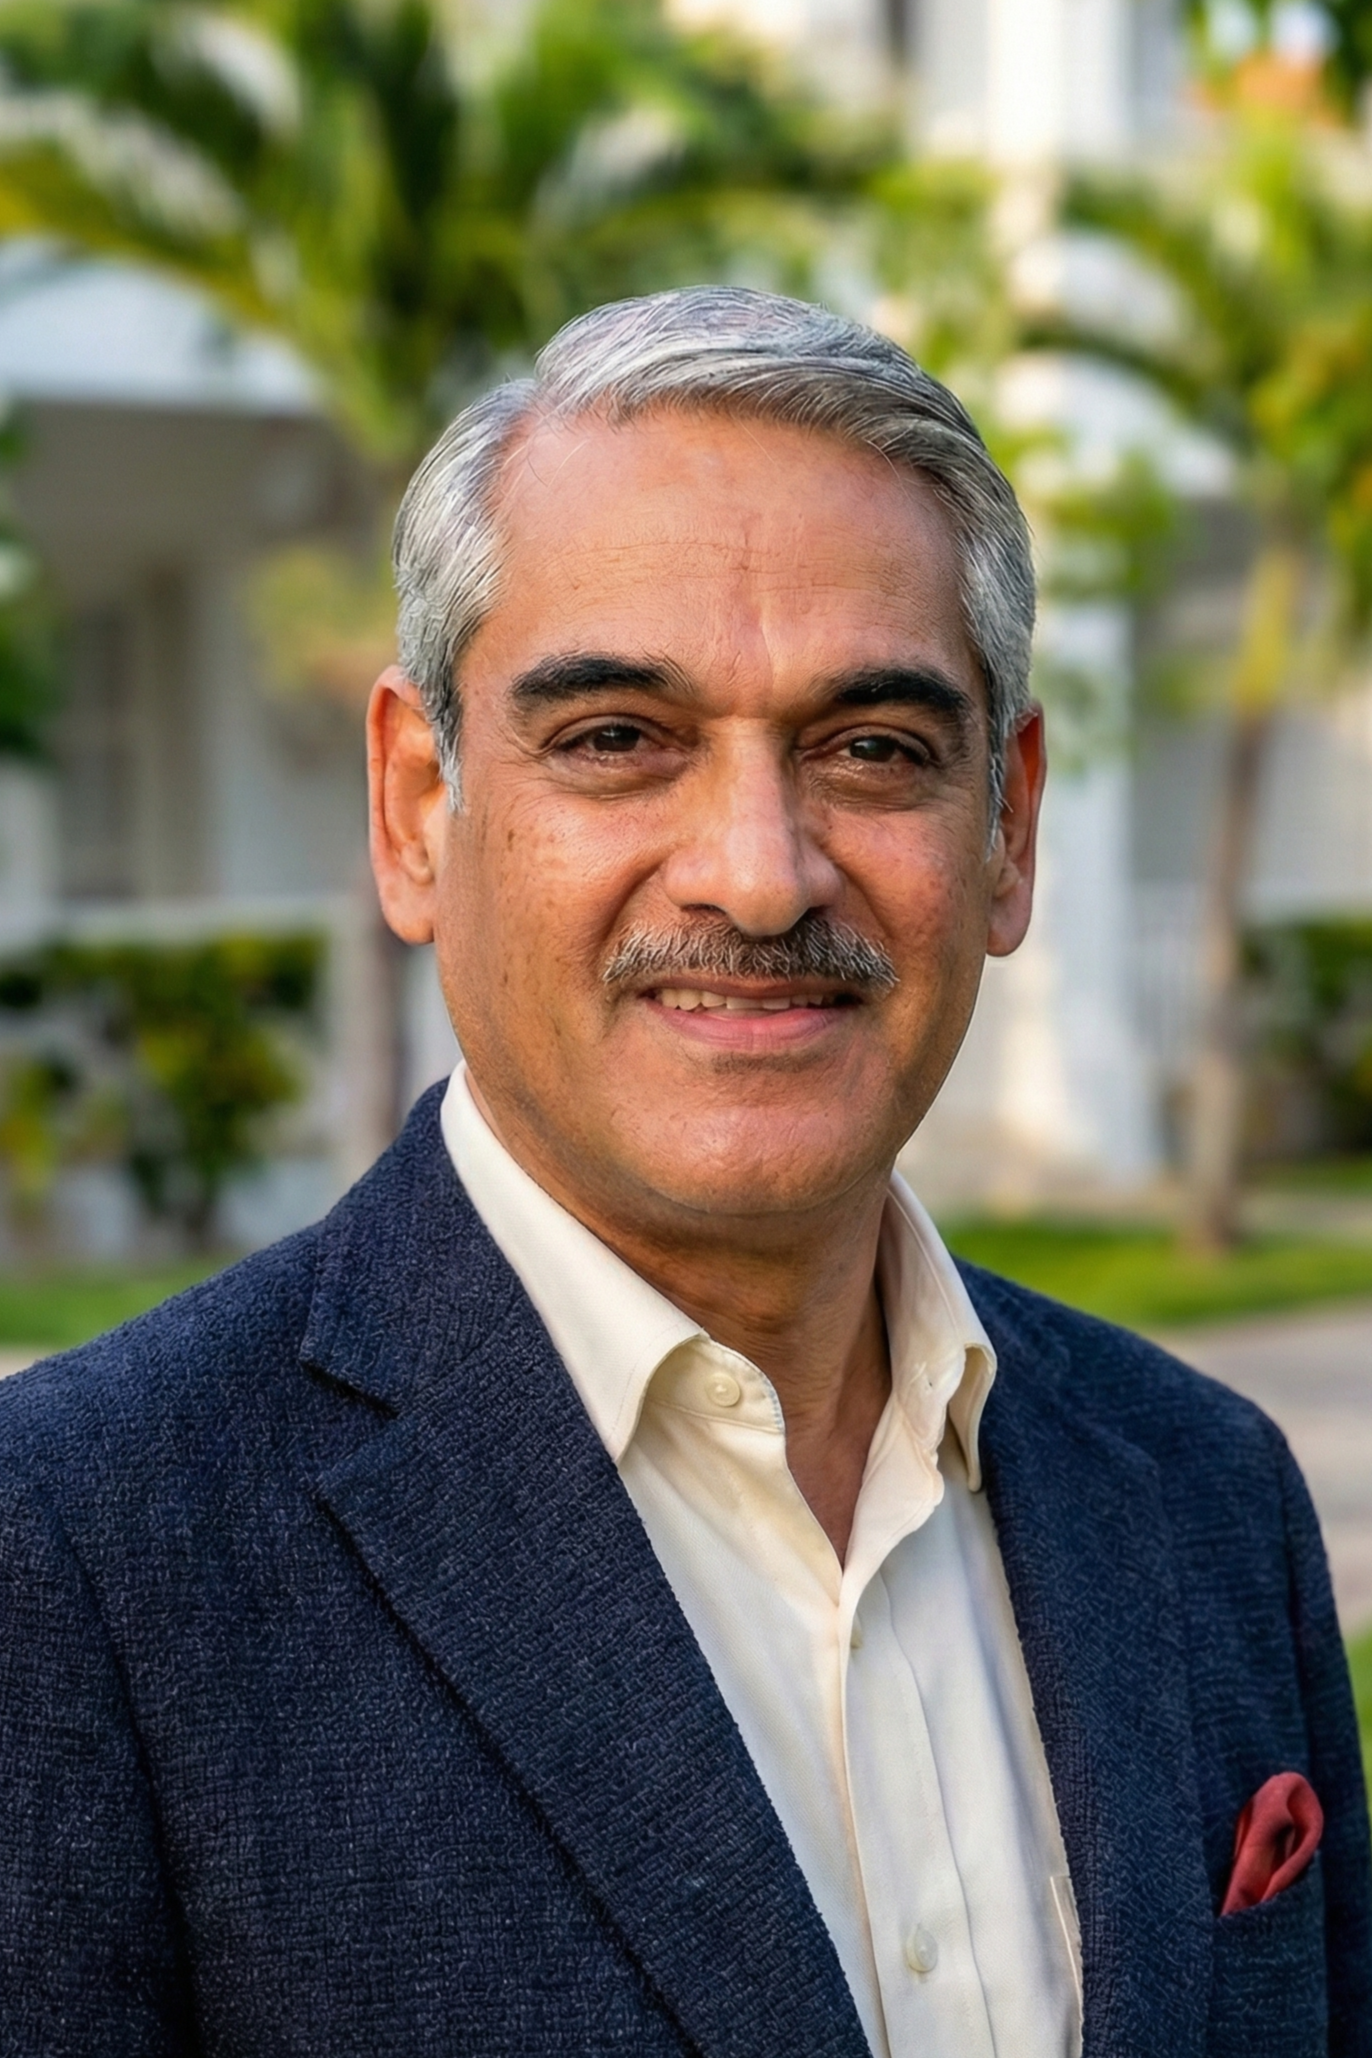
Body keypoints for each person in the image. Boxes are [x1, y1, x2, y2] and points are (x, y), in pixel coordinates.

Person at [0, 288, 1367, 2058]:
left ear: (1010, 826)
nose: (758, 873)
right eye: (618, 739)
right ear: (420, 806)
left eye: (871, 748)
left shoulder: (1203, 1494)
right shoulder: (80, 1559)